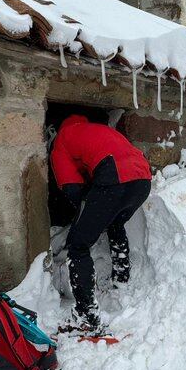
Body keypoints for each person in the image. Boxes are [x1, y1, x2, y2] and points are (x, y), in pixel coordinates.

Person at [50, 114, 152, 334]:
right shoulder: (100, 131)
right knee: (115, 224)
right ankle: (122, 279)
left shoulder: (62, 140)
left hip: (113, 176)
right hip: (143, 179)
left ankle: (86, 316)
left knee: (78, 245)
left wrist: (84, 215)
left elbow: (72, 189)